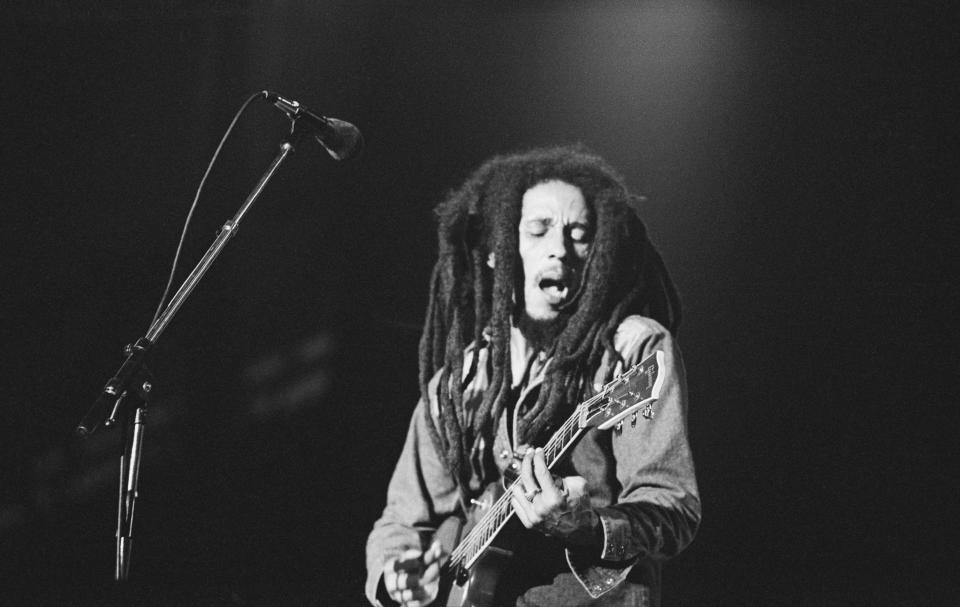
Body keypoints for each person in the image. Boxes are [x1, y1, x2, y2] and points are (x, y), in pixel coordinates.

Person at [365, 146, 700, 607]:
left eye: (580, 234)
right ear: (496, 252)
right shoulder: (459, 381)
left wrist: (584, 526)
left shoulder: (630, 350)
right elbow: (403, 518)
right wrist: (396, 571)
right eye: (538, 230)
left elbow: (673, 509)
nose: (561, 249)